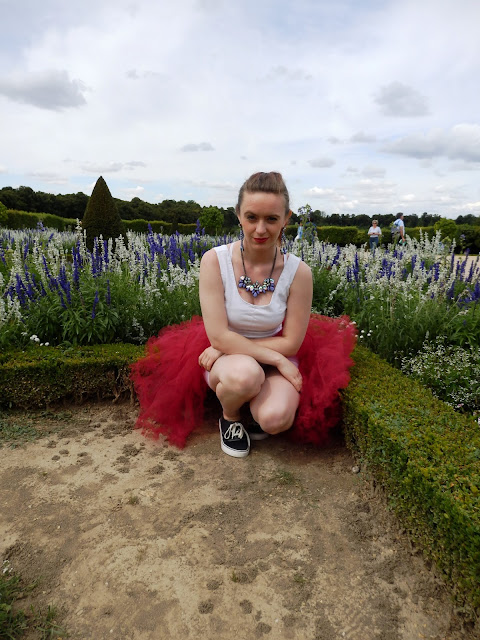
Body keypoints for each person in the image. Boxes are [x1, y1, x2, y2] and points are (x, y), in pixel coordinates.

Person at [131, 172, 357, 457]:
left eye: (271, 219)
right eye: (251, 217)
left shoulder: (299, 273)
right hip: (228, 358)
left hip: (262, 350)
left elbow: (291, 344)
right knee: (246, 376)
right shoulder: (215, 261)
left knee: (276, 420)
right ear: (238, 215)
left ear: (286, 218)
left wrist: (268, 355)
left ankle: (256, 408)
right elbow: (218, 335)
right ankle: (231, 416)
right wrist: (270, 357)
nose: (260, 229)